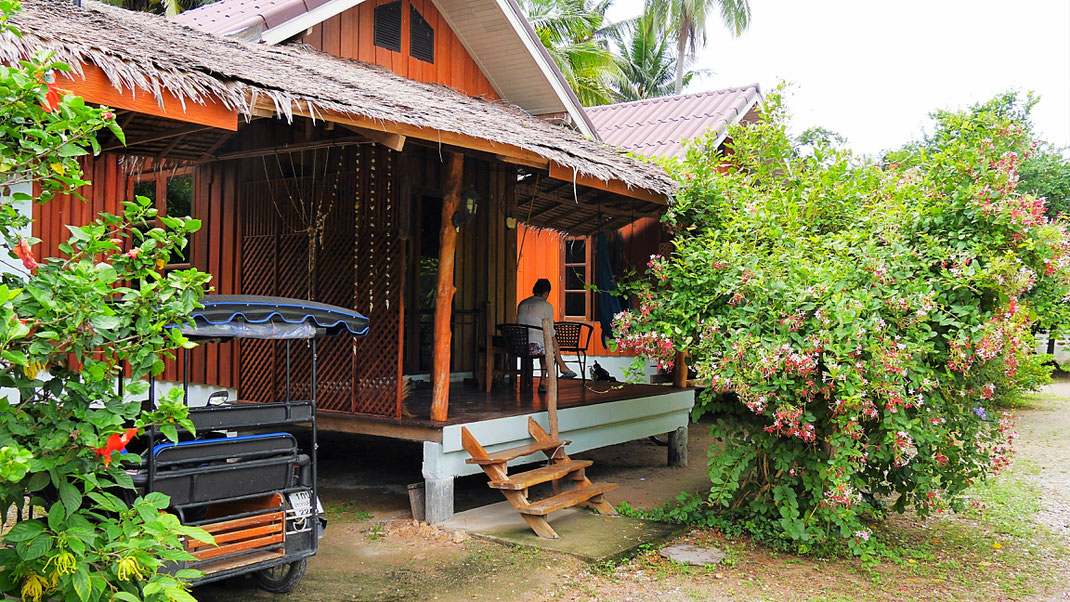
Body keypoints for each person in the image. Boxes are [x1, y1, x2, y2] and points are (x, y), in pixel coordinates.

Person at [517, 278, 577, 392]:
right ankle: (555, 372)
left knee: (545, 343)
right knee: (550, 341)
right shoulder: (546, 306)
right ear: (546, 292)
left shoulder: (522, 303)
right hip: (535, 348)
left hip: (519, 346)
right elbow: (550, 331)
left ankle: (559, 369)